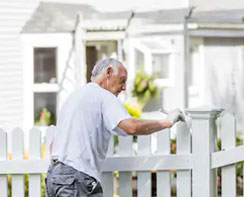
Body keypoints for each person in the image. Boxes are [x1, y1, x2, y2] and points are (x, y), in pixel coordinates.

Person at [46, 58, 184, 196]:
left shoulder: (74, 97)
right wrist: (166, 122)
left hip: (54, 176)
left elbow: (53, 144)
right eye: (122, 80)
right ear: (109, 72)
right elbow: (132, 127)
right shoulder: (104, 96)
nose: (124, 88)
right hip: (76, 178)